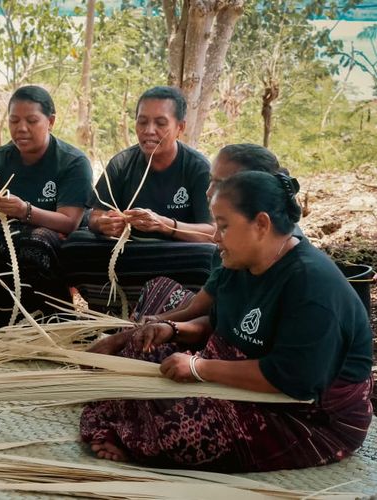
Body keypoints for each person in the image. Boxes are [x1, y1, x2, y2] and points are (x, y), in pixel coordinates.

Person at [81, 171, 373, 472]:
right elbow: (218, 322)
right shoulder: (240, 261)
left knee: (188, 430)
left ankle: (140, 441)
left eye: (223, 226)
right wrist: (172, 330)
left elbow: (292, 379)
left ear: (261, 224)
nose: (216, 236)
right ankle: (139, 430)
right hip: (244, 369)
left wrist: (199, 368)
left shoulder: (312, 287)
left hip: (307, 414)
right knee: (139, 353)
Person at [62, 86, 215, 313]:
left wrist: (164, 225)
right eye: (142, 122)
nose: (149, 130)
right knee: (75, 244)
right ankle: (106, 314)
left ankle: (175, 313)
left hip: (174, 252)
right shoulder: (122, 163)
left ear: (180, 127)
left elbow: (211, 232)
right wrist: (104, 223)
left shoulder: (197, 168)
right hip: (130, 251)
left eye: (160, 123)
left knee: (207, 257)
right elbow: (93, 215)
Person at [0, 85, 92, 329]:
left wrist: (25, 211)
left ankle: (54, 321)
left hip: (54, 237)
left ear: (51, 121)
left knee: (34, 246)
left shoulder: (73, 161)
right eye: (14, 120)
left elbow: (70, 222)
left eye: (31, 120)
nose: (21, 128)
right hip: (5, 233)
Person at [133, 143, 303, 324]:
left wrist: (169, 327)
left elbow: (221, 321)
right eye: (211, 180)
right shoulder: (234, 243)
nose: (209, 192)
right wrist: (156, 322)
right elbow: (203, 304)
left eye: (222, 184)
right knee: (158, 289)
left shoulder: (286, 261)